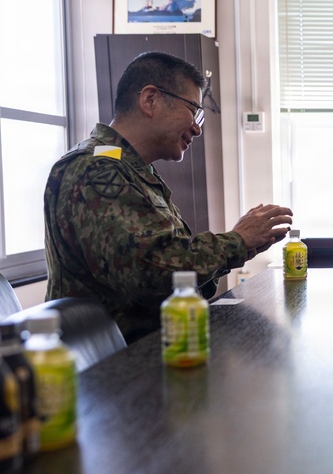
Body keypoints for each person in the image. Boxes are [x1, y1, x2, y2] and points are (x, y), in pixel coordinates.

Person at [44, 51, 293, 343]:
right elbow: (152, 271)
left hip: (158, 349)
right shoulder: (95, 169)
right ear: (150, 99)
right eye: (194, 110)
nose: (198, 128)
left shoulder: (128, 168)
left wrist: (245, 245)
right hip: (119, 370)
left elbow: (169, 264)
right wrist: (236, 241)